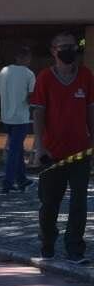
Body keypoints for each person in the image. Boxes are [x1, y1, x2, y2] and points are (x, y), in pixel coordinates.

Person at [31, 32, 94, 262]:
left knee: (79, 201)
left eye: (73, 46)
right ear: (53, 51)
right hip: (52, 153)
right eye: (64, 46)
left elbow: (90, 110)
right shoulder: (45, 78)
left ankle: (74, 248)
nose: (69, 50)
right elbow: (38, 112)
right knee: (49, 203)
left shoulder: (86, 76)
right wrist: (39, 147)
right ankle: (47, 242)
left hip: (80, 152)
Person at [0, 45, 35, 192]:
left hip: (6, 117)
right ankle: (8, 182)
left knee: (17, 149)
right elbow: (32, 97)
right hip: (21, 117)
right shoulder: (29, 74)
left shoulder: (4, 71)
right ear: (26, 58)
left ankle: (22, 179)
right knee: (14, 150)